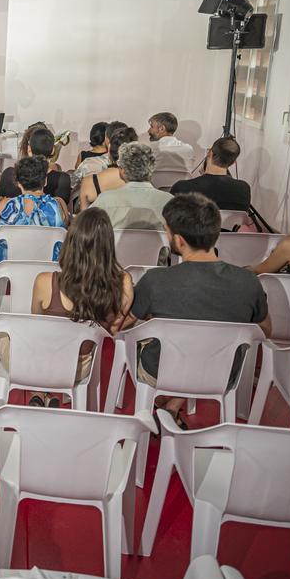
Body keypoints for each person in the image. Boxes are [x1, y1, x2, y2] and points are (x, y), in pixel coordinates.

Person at [126, 193, 271, 426]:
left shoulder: (155, 280)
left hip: (161, 369)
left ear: (180, 241)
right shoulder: (248, 282)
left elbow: (124, 323)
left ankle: (168, 405)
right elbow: (265, 330)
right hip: (221, 371)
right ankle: (173, 407)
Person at [26, 208, 133, 406]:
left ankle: (39, 392)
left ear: (71, 242)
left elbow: (38, 327)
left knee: (1, 337)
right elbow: (114, 328)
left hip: (44, 360)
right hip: (82, 364)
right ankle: (49, 394)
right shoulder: (123, 282)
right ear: (108, 246)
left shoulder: (45, 282)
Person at [0, 156, 67, 263]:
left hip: (11, 268)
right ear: (45, 181)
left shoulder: (6, 204)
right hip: (48, 269)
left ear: (18, 183)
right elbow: (63, 232)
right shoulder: (57, 205)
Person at [91, 142, 172, 230]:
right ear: (151, 169)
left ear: (122, 171)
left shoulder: (104, 200)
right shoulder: (170, 202)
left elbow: (86, 228)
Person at [170, 137, 251, 212]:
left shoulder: (182, 188)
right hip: (226, 228)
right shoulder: (243, 189)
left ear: (209, 153)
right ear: (233, 162)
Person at [0, 127, 69, 203]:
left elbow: (1, 205)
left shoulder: (9, 174)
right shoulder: (63, 179)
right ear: (53, 150)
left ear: (29, 149)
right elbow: (63, 210)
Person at [78, 125, 138, 209]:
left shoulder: (89, 181)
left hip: (99, 221)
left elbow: (84, 217)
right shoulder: (143, 181)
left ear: (109, 150)